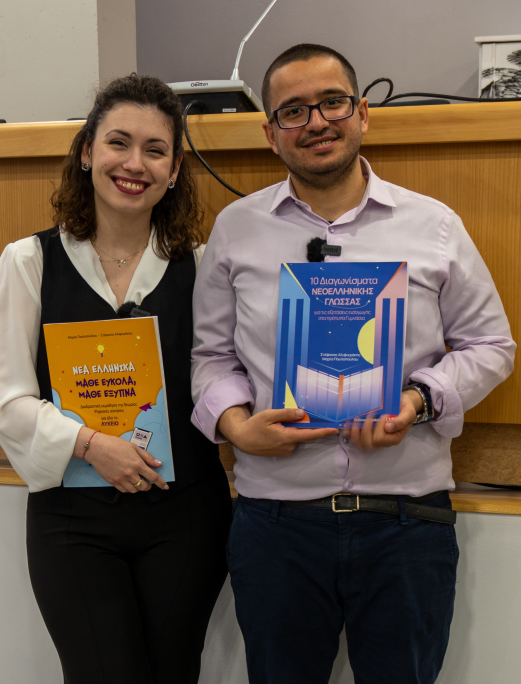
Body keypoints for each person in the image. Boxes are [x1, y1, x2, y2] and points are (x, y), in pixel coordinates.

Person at [191, 44, 516, 684]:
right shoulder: (235, 229)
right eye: (293, 110)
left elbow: (491, 345)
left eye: (332, 102)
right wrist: (236, 426)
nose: (316, 122)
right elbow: (211, 356)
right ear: (271, 133)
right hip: (277, 526)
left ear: (362, 112)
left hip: (406, 524)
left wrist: (418, 400)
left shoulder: (434, 226)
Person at [0, 74, 232, 684]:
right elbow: (6, 398)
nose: (134, 164)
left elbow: (224, 377)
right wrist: (91, 444)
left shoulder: (203, 268)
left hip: (186, 516)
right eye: (118, 142)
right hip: (73, 520)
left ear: (175, 170)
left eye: (155, 150)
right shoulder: (28, 262)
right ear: (87, 151)